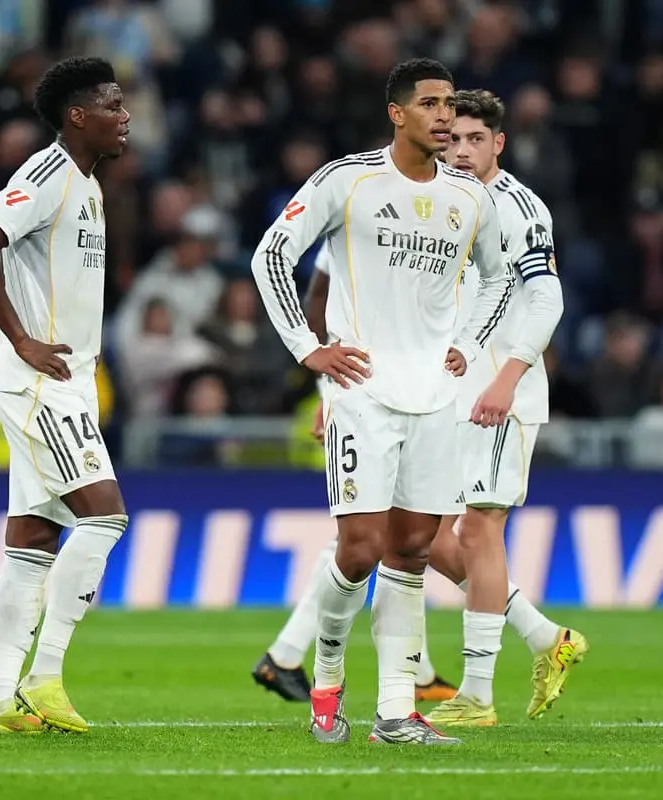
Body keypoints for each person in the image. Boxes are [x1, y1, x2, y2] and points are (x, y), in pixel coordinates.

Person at [249, 58, 514, 746]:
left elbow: (498, 277)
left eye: (450, 103)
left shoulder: (469, 198)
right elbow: (272, 255)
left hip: (433, 399)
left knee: (414, 550)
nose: (444, 116)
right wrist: (308, 348)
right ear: (397, 113)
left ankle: (396, 714)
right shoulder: (348, 179)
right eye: (429, 103)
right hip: (362, 394)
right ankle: (326, 670)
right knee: (361, 548)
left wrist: (467, 338)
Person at [0, 56, 131, 735]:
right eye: (112, 105)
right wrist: (23, 339)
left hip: (64, 380)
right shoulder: (49, 173)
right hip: (41, 382)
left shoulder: (87, 184)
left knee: (32, 539)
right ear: (76, 115)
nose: (126, 116)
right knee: (105, 517)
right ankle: (45, 674)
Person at [425, 89, 586, 727]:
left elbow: (547, 301)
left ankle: (477, 694)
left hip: (499, 392)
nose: (460, 151)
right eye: (452, 140)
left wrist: (508, 381)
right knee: (423, 536)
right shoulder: (444, 200)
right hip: (446, 390)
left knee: (478, 530)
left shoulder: (521, 208)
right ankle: (547, 637)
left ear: (497, 143)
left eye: (473, 140)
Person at [252, 244, 459, 706]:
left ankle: (289, 656)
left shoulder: (449, 208)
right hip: (367, 394)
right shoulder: (356, 206)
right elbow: (320, 297)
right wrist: (329, 382)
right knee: (376, 539)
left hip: (424, 394)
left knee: (384, 540)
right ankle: (407, 672)